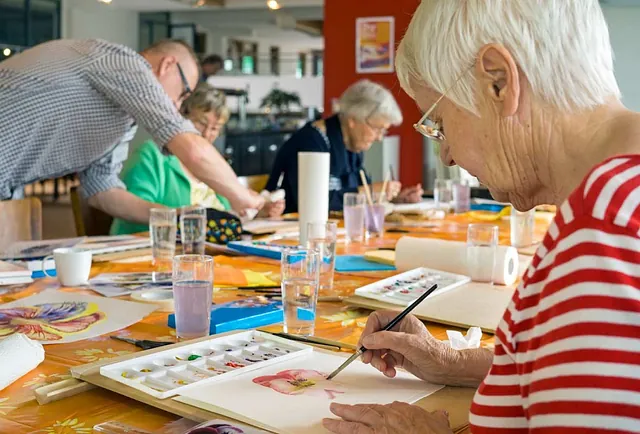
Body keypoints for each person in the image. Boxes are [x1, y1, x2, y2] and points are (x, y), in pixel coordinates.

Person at [323, 1, 640, 433]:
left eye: (439, 121)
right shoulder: (612, 204)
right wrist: (451, 362)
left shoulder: (603, 239)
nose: (447, 154)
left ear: (498, 81)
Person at [0, 39, 263, 225]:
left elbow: (102, 191)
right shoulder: (125, 62)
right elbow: (191, 149)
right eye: (183, 93)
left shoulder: (121, 119)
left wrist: (175, 216)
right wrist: (242, 197)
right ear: (167, 65)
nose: (177, 105)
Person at [110, 83, 284, 235]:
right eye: (200, 123)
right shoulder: (151, 155)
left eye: (215, 128)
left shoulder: (211, 164)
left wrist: (259, 213)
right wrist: (181, 214)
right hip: (150, 255)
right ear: (181, 116)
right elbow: (131, 215)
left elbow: (227, 214)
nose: (207, 134)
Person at [265, 80, 424, 214]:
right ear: (353, 120)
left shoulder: (352, 145)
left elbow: (356, 189)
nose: (379, 138)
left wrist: (392, 196)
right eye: (377, 129)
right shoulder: (310, 142)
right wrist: (368, 192)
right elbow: (312, 202)